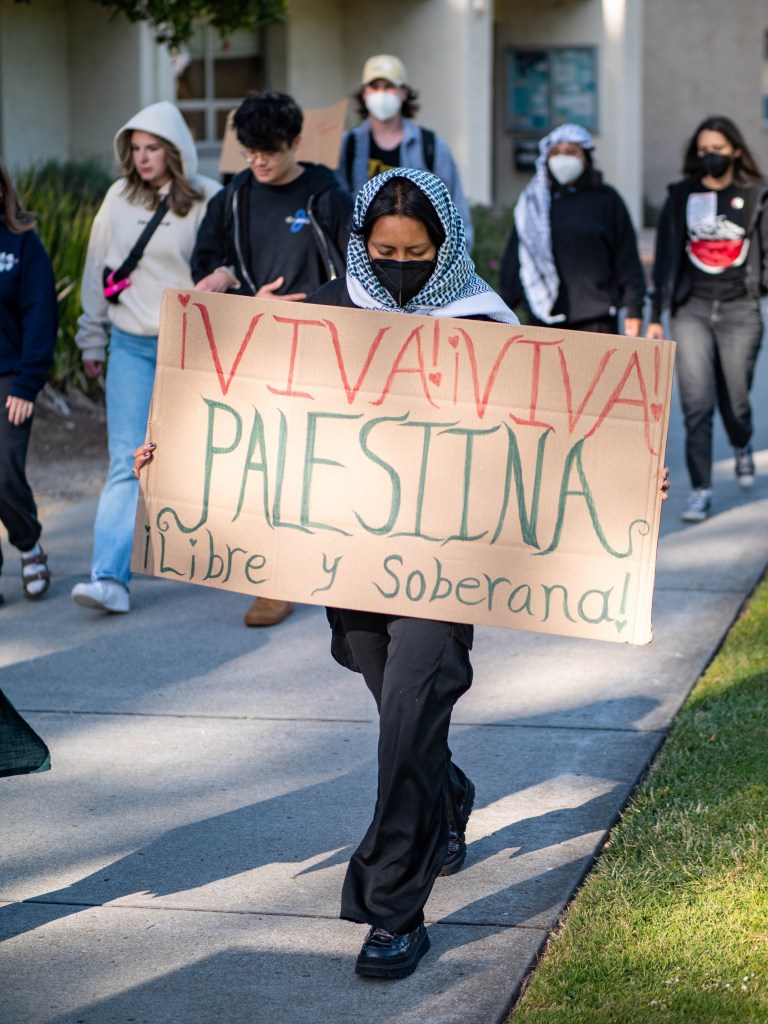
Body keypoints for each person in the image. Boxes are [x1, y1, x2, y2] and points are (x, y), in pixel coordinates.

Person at [134, 168, 670, 980]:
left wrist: (629, 471)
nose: (398, 266)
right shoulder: (321, 313)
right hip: (348, 565)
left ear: (445, 247)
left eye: (416, 253)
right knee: (390, 697)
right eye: (383, 252)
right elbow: (239, 408)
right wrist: (168, 454)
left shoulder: (488, 325)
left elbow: (556, 438)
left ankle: (393, 908)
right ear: (360, 244)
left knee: (411, 710)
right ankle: (448, 792)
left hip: (447, 572)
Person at [191, 90, 354, 629]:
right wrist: (246, 300)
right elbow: (208, 267)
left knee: (325, 466)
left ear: (296, 143)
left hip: (324, 351)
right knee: (268, 465)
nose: (258, 161)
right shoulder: (232, 198)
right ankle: (273, 580)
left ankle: (338, 565)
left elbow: (361, 275)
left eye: (269, 152)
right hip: (258, 349)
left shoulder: (326, 196)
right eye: (249, 151)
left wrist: (320, 309)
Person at [71, 101, 221, 615]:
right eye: (135, 149)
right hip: (130, 345)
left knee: (199, 460)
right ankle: (109, 578)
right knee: (125, 461)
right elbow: (97, 271)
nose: (143, 158)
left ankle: (220, 557)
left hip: (190, 348)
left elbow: (224, 267)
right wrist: (91, 339)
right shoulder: (117, 197)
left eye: (153, 148)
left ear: (175, 149)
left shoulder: (207, 199)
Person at [646, 115, 767, 523]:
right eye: (702, 151)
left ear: (734, 149)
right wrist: (656, 313)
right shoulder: (682, 195)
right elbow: (665, 257)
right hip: (691, 309)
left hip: (740, 311)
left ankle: (741, 442)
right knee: (696, 403)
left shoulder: (755, 194)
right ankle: (700, 489)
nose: (709, 157)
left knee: (736, 401)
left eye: (717, 149)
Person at [500, 123, 646, 337]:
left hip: (596, 319)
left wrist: (634, 306)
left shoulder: (607, 200)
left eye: (570, 152)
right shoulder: (534, 203)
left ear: (585, 157)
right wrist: (504, 306)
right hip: (543, 319)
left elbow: (627, 256)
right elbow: (518, 255)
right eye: (556, 152)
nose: (562, 158)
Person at [339, 54, 474, 252]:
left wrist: (457, 262)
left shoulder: (431, 147)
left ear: (404, 93)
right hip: (363, 260)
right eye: (375, 87)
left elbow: (456, 212)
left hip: (418, 258)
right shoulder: (347, 146)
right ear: (364, 93)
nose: (382, 94)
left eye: (389, 87)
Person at [0, 159, 57, 606]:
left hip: (9, 378)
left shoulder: (22, 244)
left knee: (4, 473)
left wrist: (27, 382)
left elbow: (40, 314)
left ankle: (29, 543)